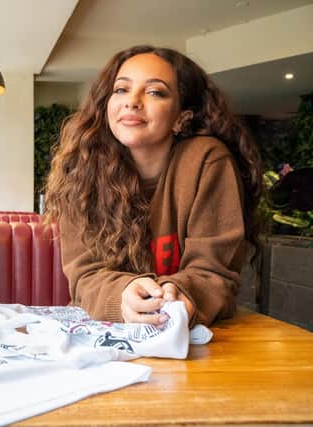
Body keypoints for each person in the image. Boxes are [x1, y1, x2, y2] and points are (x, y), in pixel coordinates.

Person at [45, 45, 262, 327]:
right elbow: (84, 276)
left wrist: (183, 293)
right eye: (121, 89)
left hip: (190, 337)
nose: (132, 101)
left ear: (181, 117)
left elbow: (214, 271)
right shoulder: (81, 171)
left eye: (155, 92)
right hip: (100, 335)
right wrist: (123, 296)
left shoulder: (207, 160)